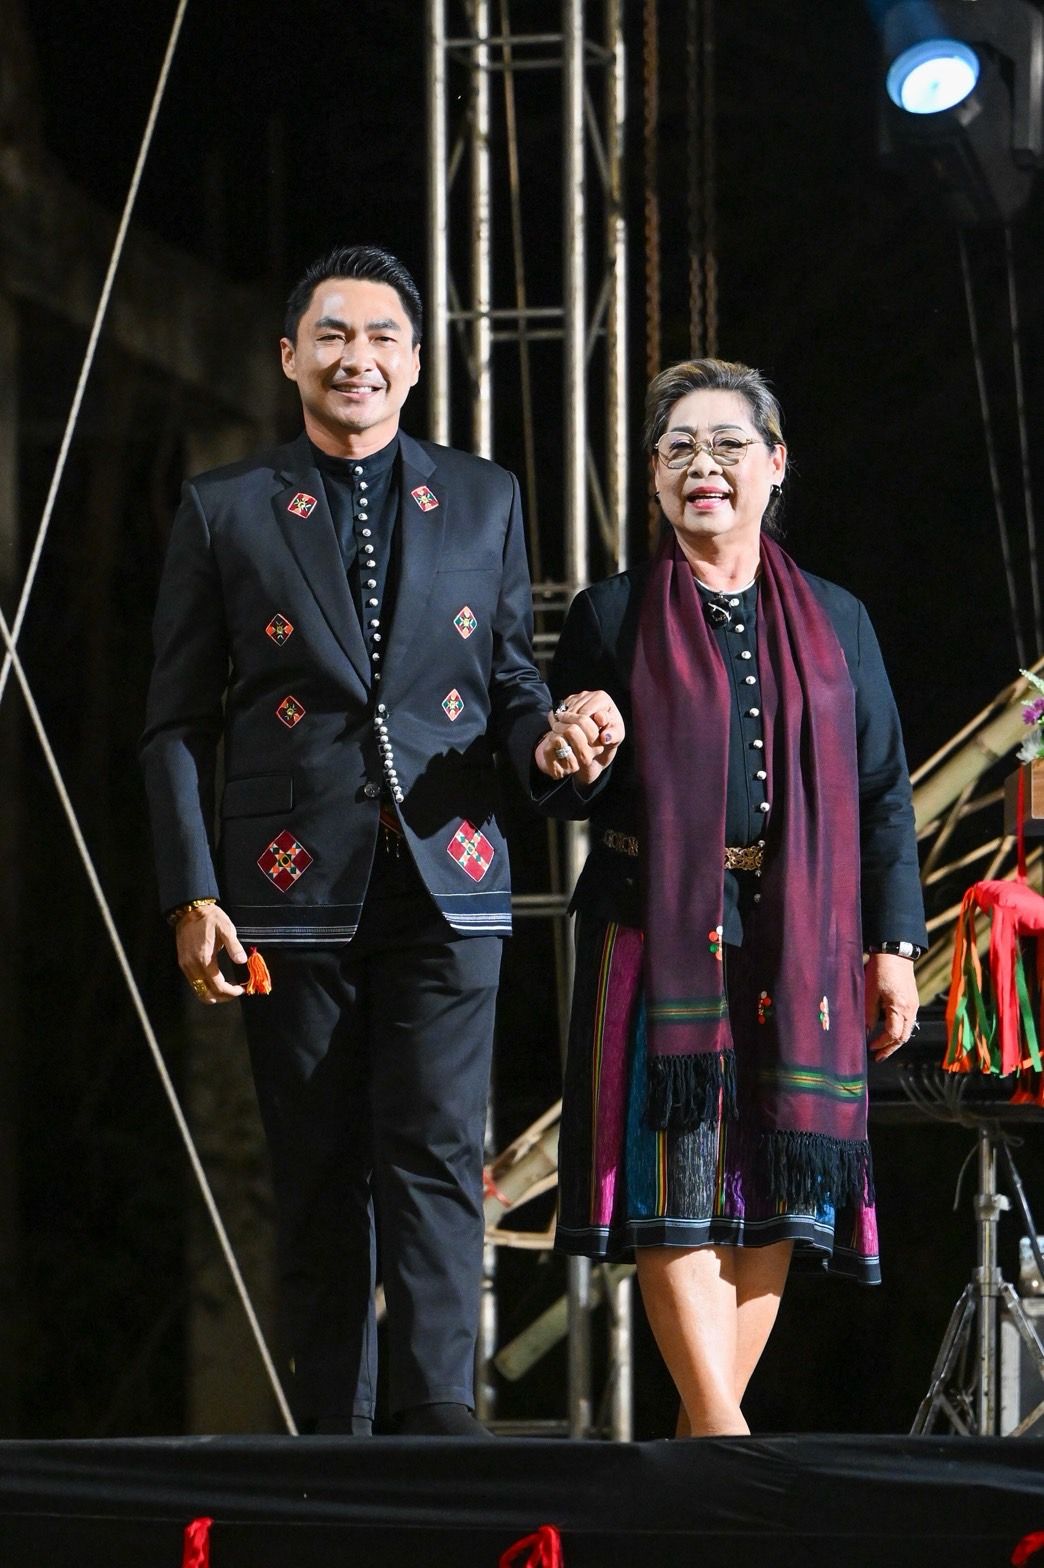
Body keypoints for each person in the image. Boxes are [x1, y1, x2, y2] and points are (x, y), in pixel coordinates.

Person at [141, 244, 594, 1438]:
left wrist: (549, 742)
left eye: (383, 335)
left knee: (439, 1156)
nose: (359, 356)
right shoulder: (226, 505)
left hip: (455, 873)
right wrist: (192, 892)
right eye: (334, 334)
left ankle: (436, 1427)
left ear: (417, 360)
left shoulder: (484, 497)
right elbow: (174, 723)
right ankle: (330, 1446)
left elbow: (509, 679)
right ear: (290, 354)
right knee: (318, 1173)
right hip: (288, 888)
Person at [542, 357, 927, 1437]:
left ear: (776, 464)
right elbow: (567, 783)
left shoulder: (840, 621)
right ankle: (725, 1440)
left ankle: (701, 1450)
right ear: (654, 478)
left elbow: (883, 792)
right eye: (678, 449)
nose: (701, 466)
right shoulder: (613, 612)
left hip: (801, 939)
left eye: (726, 445)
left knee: (774, 1193)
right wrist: (575, 746)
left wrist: (895, 946)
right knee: (675, 1184)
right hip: (656, 930)